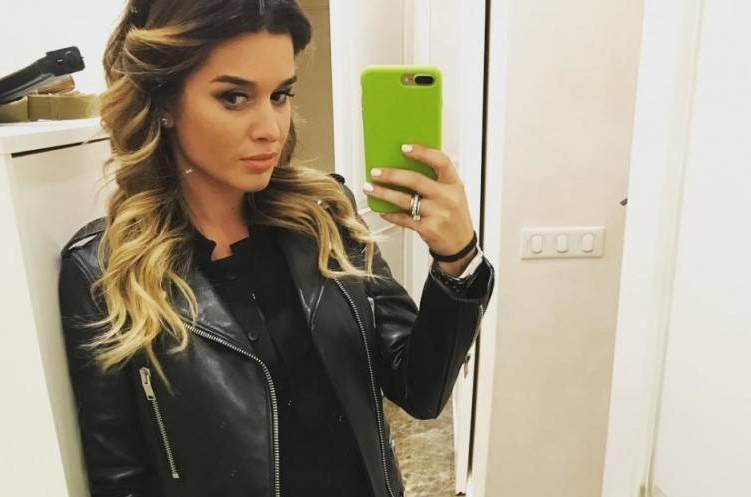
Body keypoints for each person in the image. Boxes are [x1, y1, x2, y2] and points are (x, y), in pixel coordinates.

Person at [57, 1, 495, 496]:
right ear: (163, 104)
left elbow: (421, 389)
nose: (271, 128)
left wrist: (457, 259)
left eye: (280, 95)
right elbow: (121, 477)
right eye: (234, 97)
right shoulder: (106, 270)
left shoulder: (324, 218)